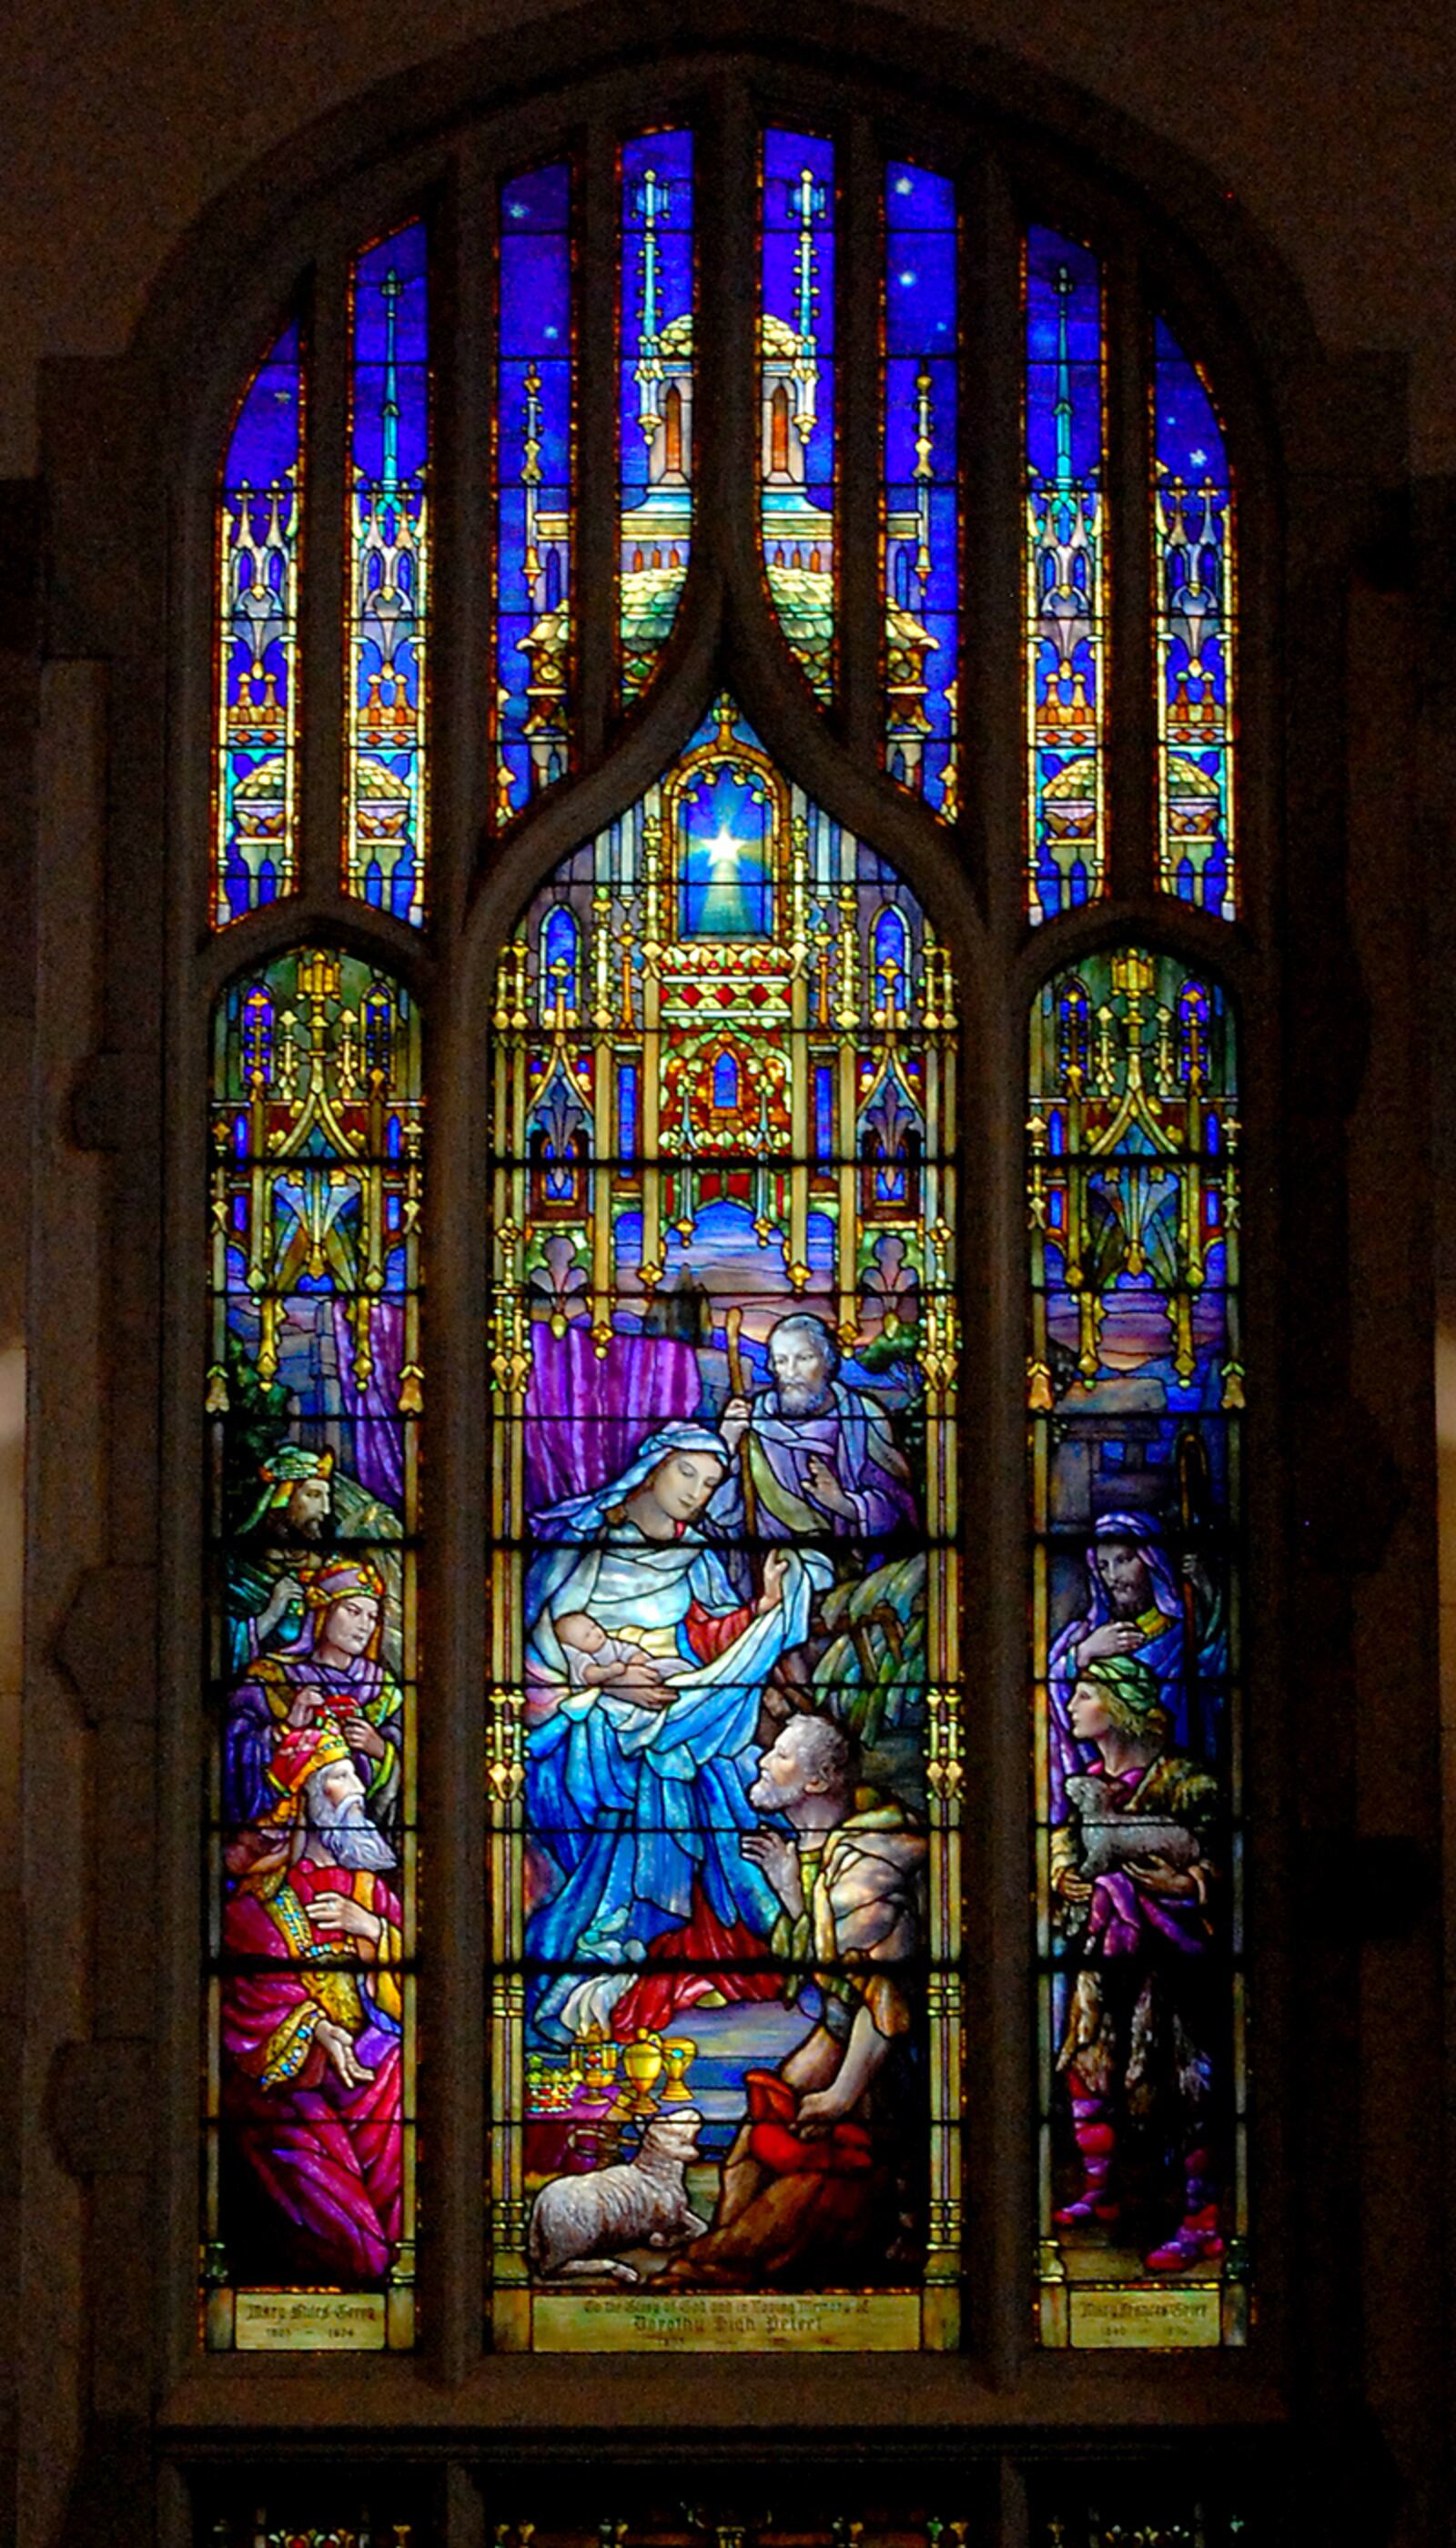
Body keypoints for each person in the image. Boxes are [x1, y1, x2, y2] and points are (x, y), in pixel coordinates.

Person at [524, 1421, 832, 2043]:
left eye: (711, 1482)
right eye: (686, 1473)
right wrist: (604, 1683)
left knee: (710, 1769)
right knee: (667, 1768)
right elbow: (541, 1648)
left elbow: (712, 1634)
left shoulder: (697, 1553)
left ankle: (729, 1944)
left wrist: (765, 1610)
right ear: (653, 1467)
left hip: (685, 1705)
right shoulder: (591, 1546)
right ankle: (611, 1948)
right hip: (600, 1719)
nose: (696, 1492)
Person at [664, 1711, 926, 2290]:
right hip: (842, 2034)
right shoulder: (824, 1853)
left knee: (810, 2190)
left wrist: (839, 2095)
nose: (762, 1760)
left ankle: (721, 2263)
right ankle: (720, 2257)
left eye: (780, 1754)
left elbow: (884, 2002)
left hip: (887, 2069)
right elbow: (824, 1966)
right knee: (756, 2143)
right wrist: (791, 1888)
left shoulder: (870, 1867)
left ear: (819, 1780)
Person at [1050, 1651, 1225, 2270]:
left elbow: (1220, 1861)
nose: (1071, 1705)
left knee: (1181, 2089)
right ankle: (1103, 2193)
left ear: (1119, 1709)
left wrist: (1189, 1887)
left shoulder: (1186, 1782)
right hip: (1106, 1953)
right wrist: (1066, 1878)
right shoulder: (1089, 1787)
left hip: (1173, 1958)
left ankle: (1202, 2219)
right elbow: (1066, 1855)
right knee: (1090, 2070)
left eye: (1086, 1694)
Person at [219, 1723, 404, 2288]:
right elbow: (250, 2001)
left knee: (396, 2064)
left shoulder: (372, 1893)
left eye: (355, 1774)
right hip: (292, 2094)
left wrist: (371, 1929)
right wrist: (317, 2032)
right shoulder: (260, 1902)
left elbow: (417, 1989)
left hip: (373, 2076)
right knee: (358, 2253)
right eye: (342, 1777)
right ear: (308, 1795)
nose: (356, 1790)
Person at [1046, 1510, 1225, 1814]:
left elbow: (1215, 1684)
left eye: (1124, 1560)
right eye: (1103, 1566)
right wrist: (1083, 1654)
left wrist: (1207, 1594)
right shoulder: (1083, 1636)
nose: (1113, 1577)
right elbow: (1052, 1696)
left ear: (1152, 1560)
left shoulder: (1185, 1634)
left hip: (1172, 1791)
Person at [223, 1557, 403, 1840]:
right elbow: (232, 1756)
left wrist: (381, 1750)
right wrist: (283, 1731)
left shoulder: (385, 1692)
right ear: (322, 1613)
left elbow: (413, 1785)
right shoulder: (274, 1679)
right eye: (353, 1611)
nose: (364, 1626)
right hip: (280, 1846)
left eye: (372, 1617)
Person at [713, 1311, 916, 1542]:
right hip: (769, 1566)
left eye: (803, 1358)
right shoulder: (752, 1425)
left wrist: (845, 1505)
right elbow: (720, 1516)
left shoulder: (863, 1417)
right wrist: (726, 1446)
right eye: (781, 1361)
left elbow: (901, 1508)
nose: (790, 1373)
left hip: (857, 1569)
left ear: (828, 1361)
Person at [226, 1445, 335, 1671]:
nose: (325, 1509)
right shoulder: (238, 1569)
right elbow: (224, 1649)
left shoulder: (330, 1568)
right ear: (282, 1498)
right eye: (314, 1495)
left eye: (327, 1497)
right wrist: (271, 1614)